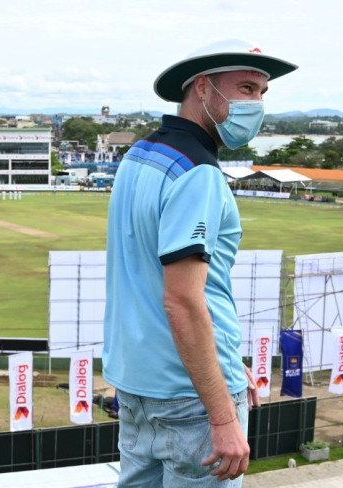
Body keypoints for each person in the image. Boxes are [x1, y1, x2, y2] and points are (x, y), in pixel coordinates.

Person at [103, 39, 297, 487]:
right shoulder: (199, 174)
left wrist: (225, 360)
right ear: (204, 89)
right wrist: (224, 416)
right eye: (246, 88)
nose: (257, 104)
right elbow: (183, 302)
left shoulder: (139, 155)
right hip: (190, 398)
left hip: (136, 384)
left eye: (262, 93)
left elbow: (150, 278)